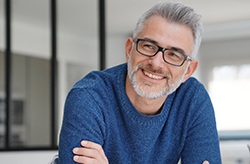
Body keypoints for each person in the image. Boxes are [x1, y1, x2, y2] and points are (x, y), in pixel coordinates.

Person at [58, 2, 221, 164]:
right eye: (149, 46)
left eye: (174, 55)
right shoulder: (89, 96)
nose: (156, 63)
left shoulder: (192, 99)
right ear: (129, 49)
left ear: (189, 70)